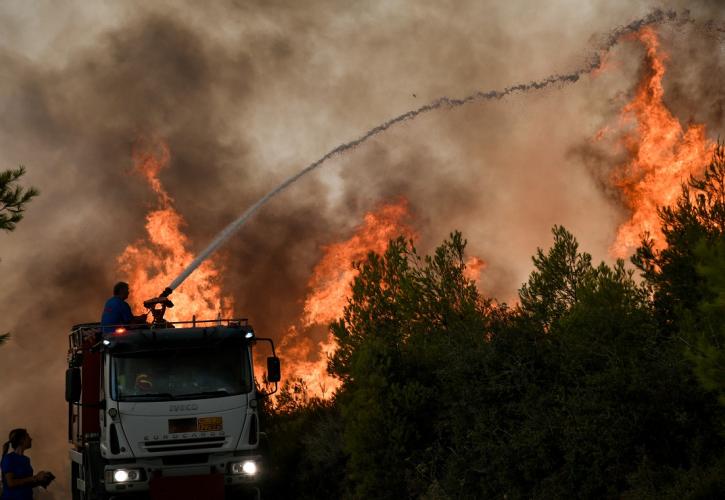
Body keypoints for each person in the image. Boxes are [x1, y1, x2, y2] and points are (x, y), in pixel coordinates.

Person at [1, 429, 54, 500]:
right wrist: (35, 477)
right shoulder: (9, 458)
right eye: (28, 436)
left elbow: (26, 482)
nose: (31, 439)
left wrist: (40, 481)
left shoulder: (26, 459)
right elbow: (11, 483)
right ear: (22, 440)